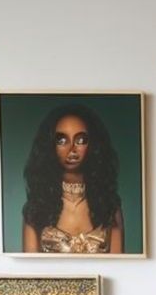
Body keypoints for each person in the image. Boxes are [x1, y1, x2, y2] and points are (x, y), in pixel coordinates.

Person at [21, 103, 124, 254]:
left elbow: (122, 271)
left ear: (94, 146)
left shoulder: (109, 206)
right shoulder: (35, 208)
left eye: (80, 140)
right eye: (62, 141)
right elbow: (30, 274)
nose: (72, 150)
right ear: (50, 146)